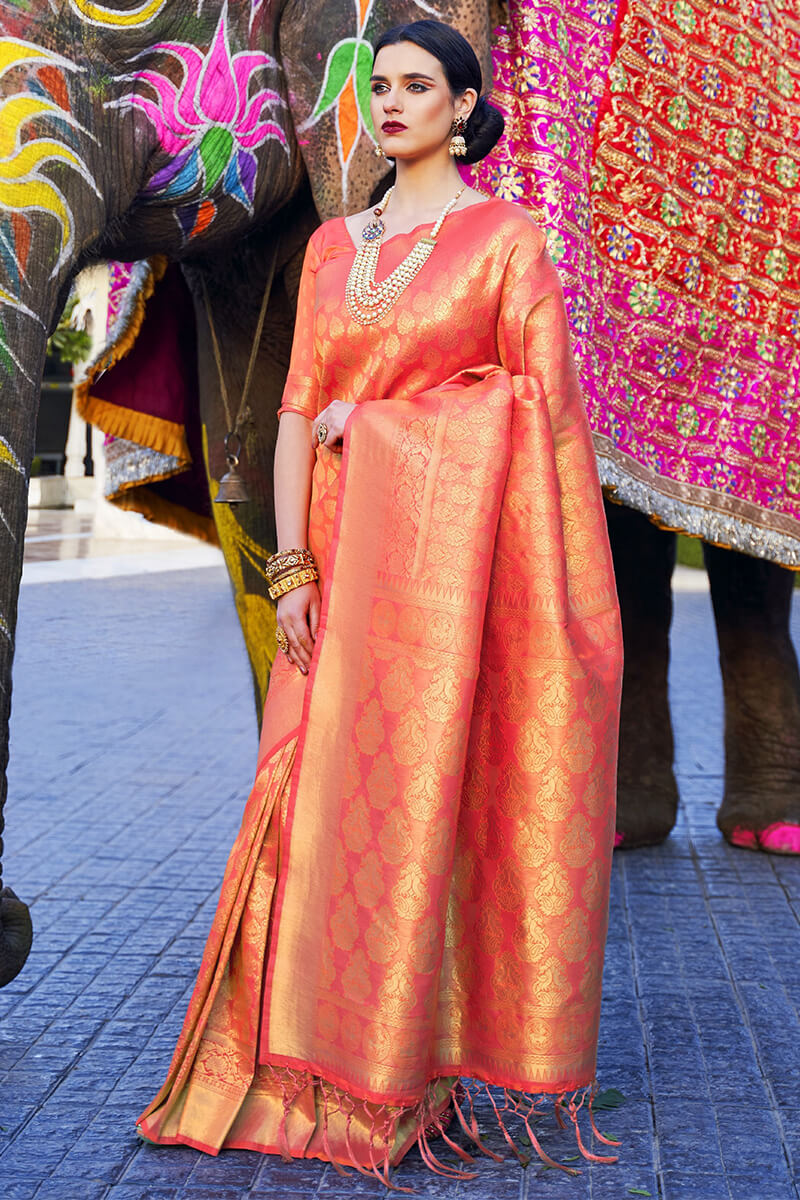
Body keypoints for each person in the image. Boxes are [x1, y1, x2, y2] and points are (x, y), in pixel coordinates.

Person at [137, 18, 624, 1184]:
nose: (390, 103)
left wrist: (395, 426)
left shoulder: (506, 242)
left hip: (447, 587)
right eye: (379, 86)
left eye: (418, 87)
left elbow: (539, 415)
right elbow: (300, 406)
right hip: (334, 575)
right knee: (303, 806)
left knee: (424, 807)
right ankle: (280, 1075)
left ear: (463, 109)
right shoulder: (328, 252)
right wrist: (290, 565)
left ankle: (396, 1082)